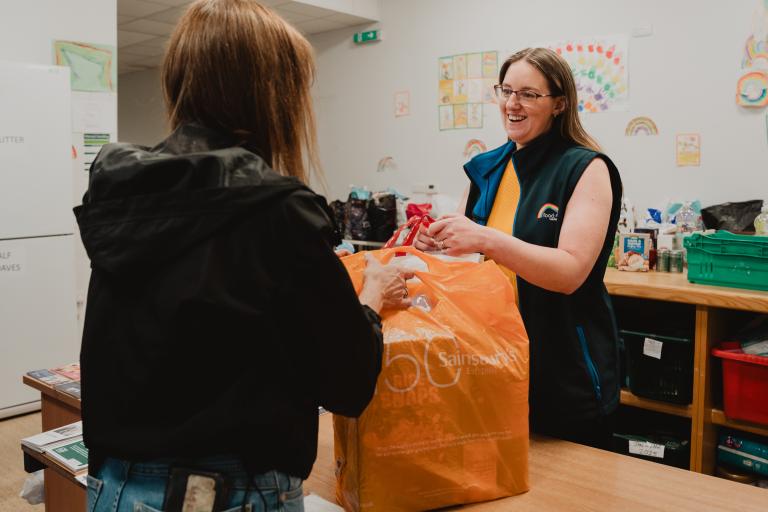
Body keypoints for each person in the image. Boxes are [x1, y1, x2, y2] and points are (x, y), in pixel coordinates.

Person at [74, 1, 411, 511]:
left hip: (115, 487)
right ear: (273, 97)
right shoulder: (277, 210)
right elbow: (346, 383)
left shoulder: (123, 194)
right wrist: (372, 295)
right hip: (227, 492)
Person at [416, 47, 623, 450]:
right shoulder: (487, 167)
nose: (513, 103)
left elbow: (569, 273)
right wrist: (434, 244)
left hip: (563, 369)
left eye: (529, 94)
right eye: (506, 90)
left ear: (559, 104)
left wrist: (486, 239)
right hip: (492, 359)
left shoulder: (585, 168)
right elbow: (462, 260)